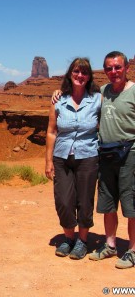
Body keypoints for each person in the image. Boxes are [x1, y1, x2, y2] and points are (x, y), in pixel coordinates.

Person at [45, 57, 101, 260]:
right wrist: (48, 160)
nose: (80, 75)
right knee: (63, 199)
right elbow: (51, 131)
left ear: (89, 77)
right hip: (61, 156)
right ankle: (68, 238)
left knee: (85, 200)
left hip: (88, 156)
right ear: (70, 74)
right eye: (76, 72)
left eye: (84, 72)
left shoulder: (97, 98)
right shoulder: (58, 100)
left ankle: (82, 241)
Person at [87, 51, 135, 269]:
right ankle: (110, 245)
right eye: (109, 68)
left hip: (130, 155)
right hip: (106, 155)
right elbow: (77, 92)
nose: (113, 72)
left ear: (126, 68)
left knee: (131, 204)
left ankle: (133, 250)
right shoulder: (103, 91)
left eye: (117, 67)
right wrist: (59, 91)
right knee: (107, 204)